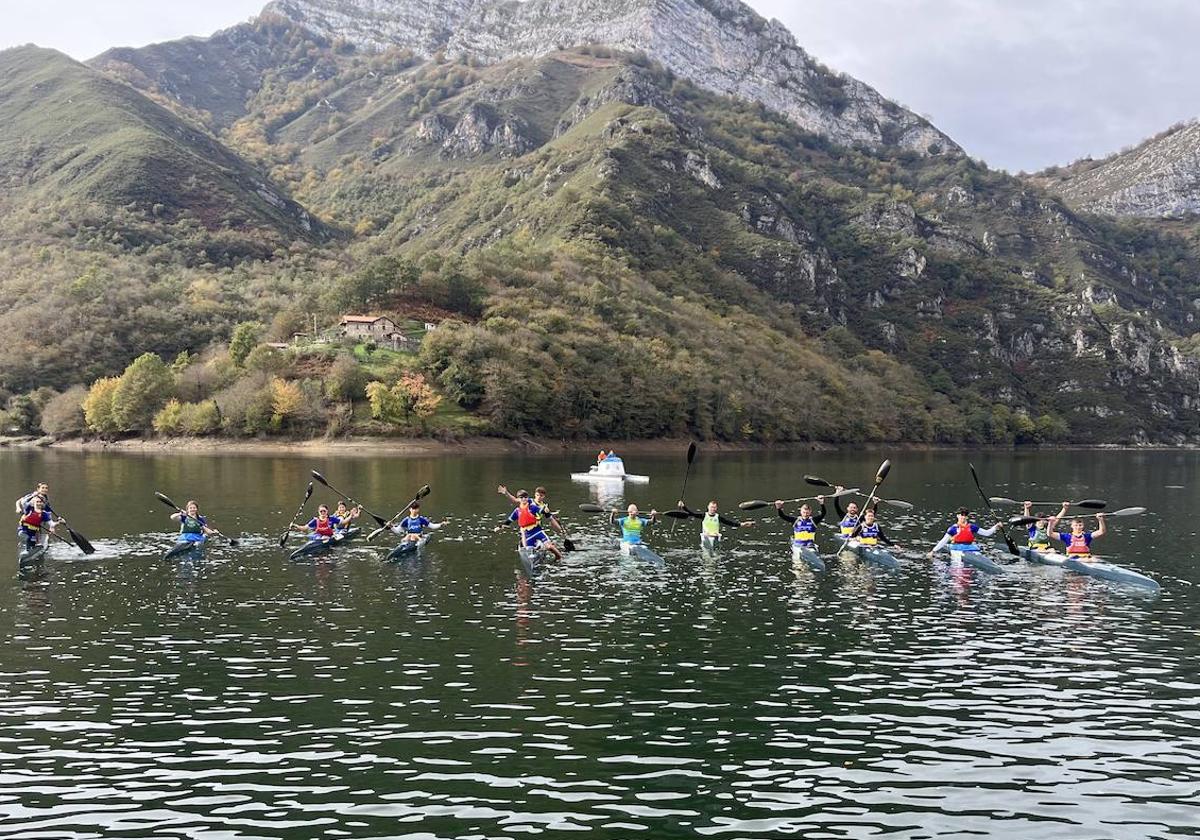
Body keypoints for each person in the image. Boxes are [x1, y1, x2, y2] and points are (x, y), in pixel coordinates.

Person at [502, 490, 563, 560]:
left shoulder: (543, 507)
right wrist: (506, 493)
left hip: (536, 527)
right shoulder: (530, 501)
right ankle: (528, 551)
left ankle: (550, 551)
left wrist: (559, 529)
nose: (539, 497)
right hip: (526, 529)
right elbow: (515, 500)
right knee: (523, 531)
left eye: (541, 496)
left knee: (548, 546)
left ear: (544, 497)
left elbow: (551, 519)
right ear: (535, 495)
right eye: (537, 495)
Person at [929, 508, 1000, 557]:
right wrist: (933, 551)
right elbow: (943, 541)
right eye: (961, 515)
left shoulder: (972, 527)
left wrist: (996, 526)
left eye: (965, 515)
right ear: (957, 516)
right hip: (957, 548)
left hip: (970, 548)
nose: (963, 517)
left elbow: (987, 533)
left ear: (967, 517)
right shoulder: (953, 529)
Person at [686, 500, 752, 546]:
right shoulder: (703, 515)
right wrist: (683, 507)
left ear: (716, 508)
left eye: (714, 507)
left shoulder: (718, 517)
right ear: (708, 507)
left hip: (715, 537)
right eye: (711, 507)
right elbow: (692, 513)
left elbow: (729, 522)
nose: (713, 509)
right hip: (706, 537)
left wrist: (742, 524)